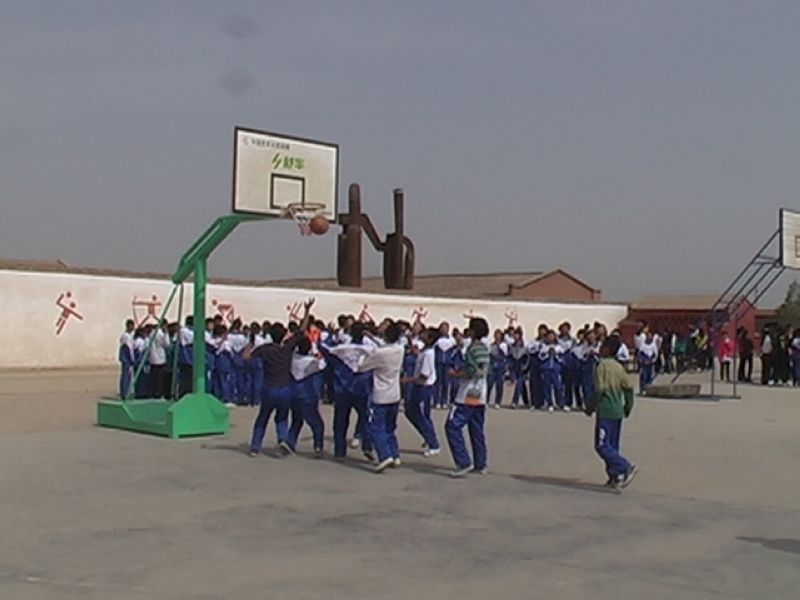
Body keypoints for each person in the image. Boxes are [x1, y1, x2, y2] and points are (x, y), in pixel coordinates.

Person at [244, 299, 314, 457]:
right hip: (285, 388)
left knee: (262, 418)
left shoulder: (266, 349)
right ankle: (282, 439)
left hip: (269, 387)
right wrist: (307, 311)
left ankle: (255, 447)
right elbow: (301, 331)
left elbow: (246, 357)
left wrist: (250, 344)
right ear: (283, 335)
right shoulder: (287, 348)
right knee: (282, 418)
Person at [584, 337, 637, 491]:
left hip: (606, 411)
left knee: (602, 445)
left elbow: (600, 389)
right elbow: (628, 388)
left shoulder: (602, 366)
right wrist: (628, 407)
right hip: (617, 411)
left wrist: (590, 406)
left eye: (602, 346)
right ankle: (615, 476)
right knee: (612, 446)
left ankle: (625, 467)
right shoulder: (619, 367)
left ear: (607, 349)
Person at [445, 317, 491, 477]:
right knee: (476, 427)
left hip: (468, 392)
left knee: (452, 425)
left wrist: (456, 374)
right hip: (480, 391)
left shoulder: (472, 349)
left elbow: (471, 371)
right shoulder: (484, 348)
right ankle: (480, 463)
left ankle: (463, 461)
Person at [322, 322, 375, 460]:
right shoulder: (370, 350)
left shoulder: (341, 349)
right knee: (366, 418)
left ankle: (340, 451)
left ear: (350, 332)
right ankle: (367, 445)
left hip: (342, 389)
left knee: (340, 421)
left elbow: (323, 347)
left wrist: (331, 336)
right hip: (362, 388)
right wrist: (373, 337)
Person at [358, 322, 405, 473]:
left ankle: (384, 455)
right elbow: (385, 345)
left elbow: (362, 367)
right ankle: (395, 454)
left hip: (380, 395)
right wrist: (372, 337)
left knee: (375, 427)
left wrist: (362, 354)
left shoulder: (379, 354)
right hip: (395, 394)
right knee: (390, 427)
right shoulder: (400, 349)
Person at [402, 327, 441, 456]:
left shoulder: (429, 354)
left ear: (430, 339)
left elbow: (424, 375)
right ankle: (426, 436)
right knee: (410, 412)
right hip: (418, 386)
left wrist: (407, 380)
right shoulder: (423, 350)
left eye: (425, 334)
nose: (422, 334)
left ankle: (433, 444)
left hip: (424, 387)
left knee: (423, 416)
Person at [287, 336, 327, 456]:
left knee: (296, 420)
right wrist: (317, 354)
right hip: (308, 394)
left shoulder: (292, 358)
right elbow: (323, 365)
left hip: (293, 392)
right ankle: (318, 446)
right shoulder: (311, 361)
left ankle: (290, 442)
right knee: (316, 423)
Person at [538, 329, 566, 412]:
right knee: (547, 387)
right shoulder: (543, 346)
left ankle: (561, 403)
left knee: (558, 386)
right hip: (546, 368)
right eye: (549, 336)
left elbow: (562, 357)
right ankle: (550, 403)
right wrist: (547, 353)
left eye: (552, 336)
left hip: (556, 369)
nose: (550, 338)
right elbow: (540, 356)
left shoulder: (558, 346)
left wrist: (555, 354)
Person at [508, 329, 530, 408]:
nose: (515, 336)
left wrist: (526, 367)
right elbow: (509, 356)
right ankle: (526, 401)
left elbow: (528, 358)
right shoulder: (511, 346)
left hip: (522, 366)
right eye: (515, 335)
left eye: (517, 334)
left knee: (519, 383)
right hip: (515, 365)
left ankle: (515, 401)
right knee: (522, 385)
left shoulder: (525, 346)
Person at [487, 329, 509, 408]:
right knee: (489, 383)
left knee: (499, 385)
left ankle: (498, 402)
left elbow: (504, 354)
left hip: (500, 365)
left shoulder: (504, 345)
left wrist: (498, 346)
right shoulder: (491, 345)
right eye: (496, 335)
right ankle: (486, 400)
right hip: (492, 365)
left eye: (499, 335)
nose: (497, 336)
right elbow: (489, 354)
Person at [118, 319, 136, 398]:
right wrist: (132, 359)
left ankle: (124, 392)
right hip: (127, 357)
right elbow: (129, 348)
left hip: (124, 356)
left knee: (125, 375)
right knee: (126, 376)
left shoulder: (125, 335)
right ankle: (125, 393)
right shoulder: (127, 336)